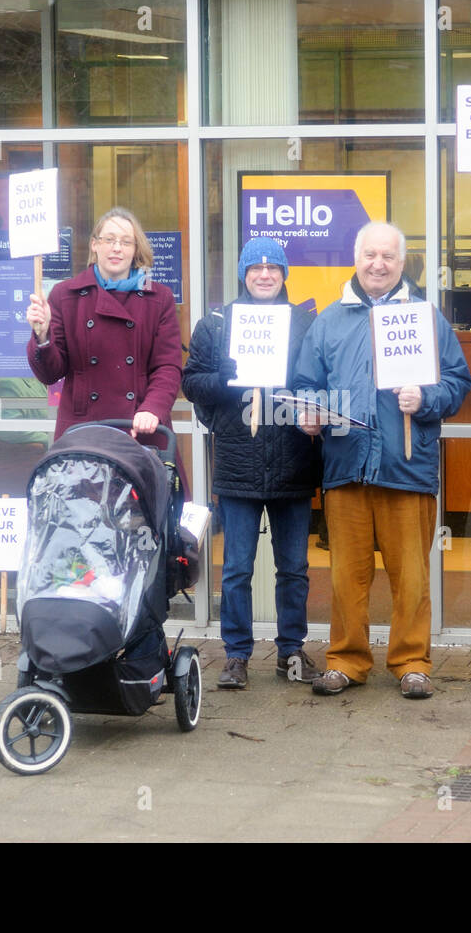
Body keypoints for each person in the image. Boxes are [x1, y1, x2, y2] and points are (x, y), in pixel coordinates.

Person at [293, 221, 471, 699]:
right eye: (370, 255)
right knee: (347, 577)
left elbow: (458, 382)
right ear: (357, 258)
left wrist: (427, 397)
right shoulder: (329, 321)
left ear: (401, 262)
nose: (378, 264)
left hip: (406, 468)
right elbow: (305, 380)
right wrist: (309, 410)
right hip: (346, 467)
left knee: (411, 578)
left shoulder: (425, 318)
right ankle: (346, 661)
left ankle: (412, 662)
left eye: (388, 257)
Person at [182, 237, 322, 689]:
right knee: (238, 568)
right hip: (239, 464)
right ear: (243, 273)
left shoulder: (305, 324)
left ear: (284, 275)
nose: (265, 275)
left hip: (293, 463)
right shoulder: (217, 325)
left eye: (274, 268)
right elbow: (192, 383)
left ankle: (291, 651)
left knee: (294, 569)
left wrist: (314, 412)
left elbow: (320, 380)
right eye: (256, 268)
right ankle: (237, 655)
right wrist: (229, 377)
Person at [25, 207, 182, 441]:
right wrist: (42, 337)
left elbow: (167, 366)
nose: (116, 248)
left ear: (135, 249)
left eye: (126, 242)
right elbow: (50, 374)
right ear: (94, 245)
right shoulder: (65, 295)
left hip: (139, 428)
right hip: (84, 430)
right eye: (109, 239)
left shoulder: (159, 298)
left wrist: (153, 408)